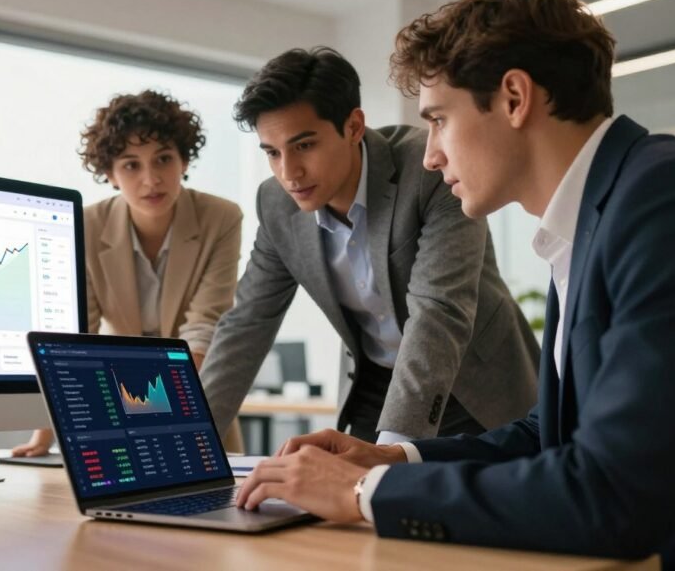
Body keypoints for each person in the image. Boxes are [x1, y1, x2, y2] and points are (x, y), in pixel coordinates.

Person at [235, 0, 675, 569]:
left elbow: (612, 495)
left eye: (440, 121)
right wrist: (390, 461)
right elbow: (551, 432)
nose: (431, 155)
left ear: (515, 98)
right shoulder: (595, 216)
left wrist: (358, 494)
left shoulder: (668, 200)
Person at [200, 47, 539, 449]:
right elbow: (246, 325)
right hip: (375, 389)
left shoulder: (429, 170)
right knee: (354, 508)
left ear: (354, 126)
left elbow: (439, 313)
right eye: (272, 153)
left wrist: (389, 456)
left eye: (304, 145)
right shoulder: (276, 204)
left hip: (475, 385)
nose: (289, 173)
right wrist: (193, 441)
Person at [13, 90, 244, 456]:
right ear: (110, 174)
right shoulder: (86, 226)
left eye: (163, 159)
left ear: (184, 160)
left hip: (199, 404)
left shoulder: (221, 218)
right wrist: (43, 435)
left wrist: (163, 409)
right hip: (118, 407)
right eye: (131, 164)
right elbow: (76, 338)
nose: (151, 179)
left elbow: (205, 325)